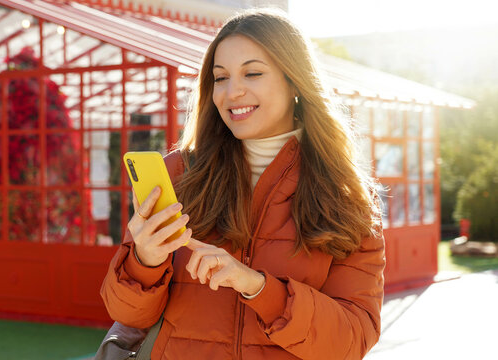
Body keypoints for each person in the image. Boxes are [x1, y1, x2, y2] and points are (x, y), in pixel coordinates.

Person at [100, 8, 385, 360]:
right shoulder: (177, 174)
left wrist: (258, 288)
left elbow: (352, 340)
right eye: (221, 78)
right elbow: (127, 316)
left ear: (295, 80)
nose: (233, 92)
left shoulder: (347, 196)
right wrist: (143, 261)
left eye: (252, 73)